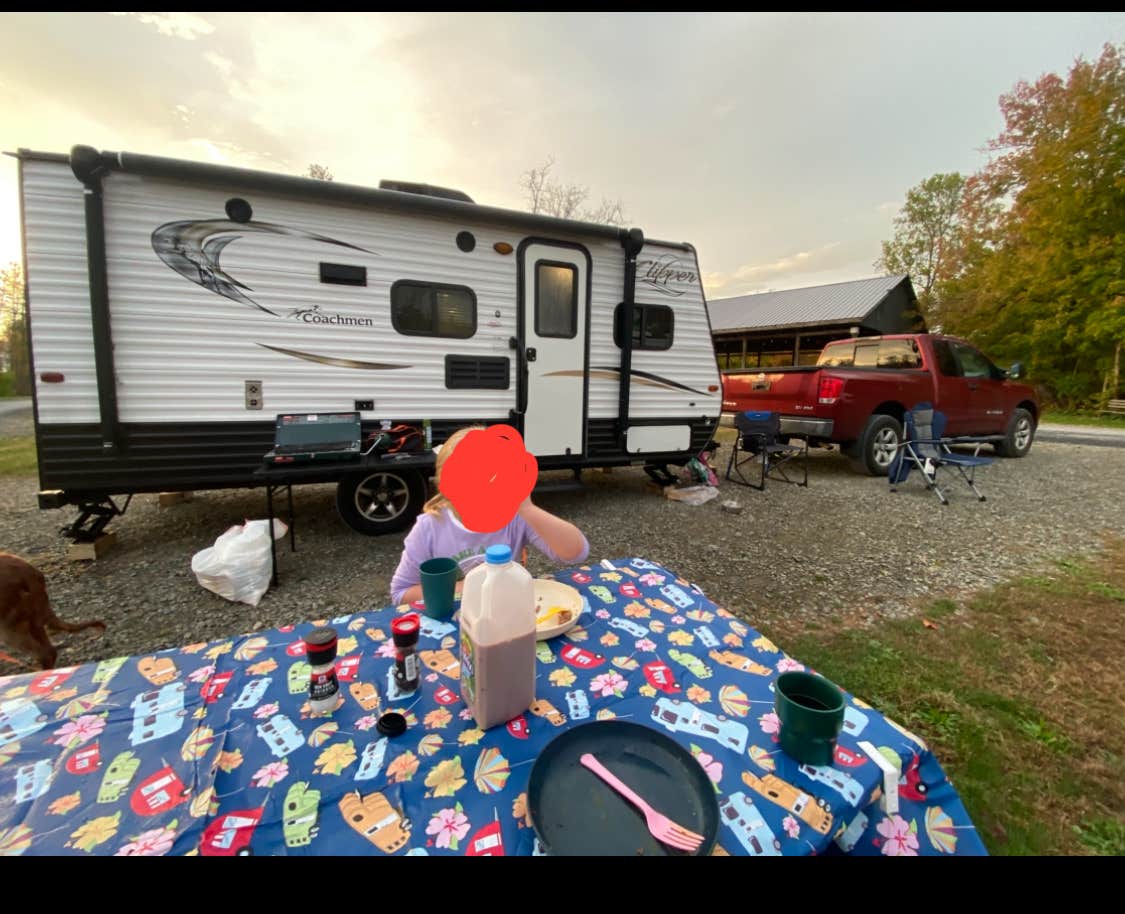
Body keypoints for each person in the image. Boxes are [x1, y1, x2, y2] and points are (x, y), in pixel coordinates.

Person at [390, 426, 590, 606]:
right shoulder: (430, 527)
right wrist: (468, 587)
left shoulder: (514, 516)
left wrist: (527, 509)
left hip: (504, 615)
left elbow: (575, 553)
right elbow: (401, 593)